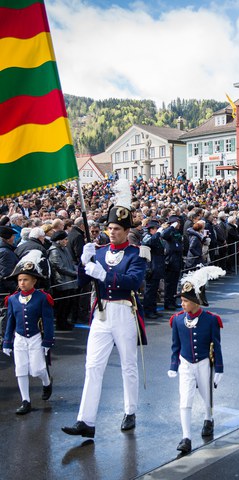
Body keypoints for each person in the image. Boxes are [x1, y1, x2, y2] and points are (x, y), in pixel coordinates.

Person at [62, 179, 148, 439]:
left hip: (124, 311)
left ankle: (130, 410)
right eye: (110, 228)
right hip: (101, 313)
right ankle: (85, 420)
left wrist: (104, 274)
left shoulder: (137, 254)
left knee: (128, 365)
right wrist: (83, 261)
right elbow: (82, 281)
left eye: (117, 229)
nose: (112, 232)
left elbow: (133, 281)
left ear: (126, 230)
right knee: (93, 366)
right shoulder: (98, 252)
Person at [167, 268, 224, 454]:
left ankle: (208, 418)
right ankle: (186, 437)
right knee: (185, 399)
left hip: (203, 364)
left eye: (185, 301)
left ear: (194, 301)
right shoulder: (176, 320)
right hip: (185, 364)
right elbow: (175, 346)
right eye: (182, 300)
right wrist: (173, 366)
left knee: (207, 397)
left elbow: (217, 346)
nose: (182, 304)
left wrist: (220, 369)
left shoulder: (210, 320)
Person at [2, 252, 54, 414]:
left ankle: (46, 382)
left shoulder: (42, 298)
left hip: (35, 337)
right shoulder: (12, 299)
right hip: (19, 339)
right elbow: (10, 321)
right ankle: (26, 401)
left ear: (34, 281)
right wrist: (7, 341)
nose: (22, 283)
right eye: (20, 280)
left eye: (25, 279)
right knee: (21, 369)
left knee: (37, 369)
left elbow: (47, 321)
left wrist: (47, 341)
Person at [48, 230, 77, 330]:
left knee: (69, 303)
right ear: (59, 240)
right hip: (61, 281)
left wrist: (76, 270)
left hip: (69, 281)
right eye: (65, 239)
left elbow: (71, 263)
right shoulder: (54, 251)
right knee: (62, 305)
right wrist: (74, 273)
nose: (67, 241)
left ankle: (65, 322)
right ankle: (61, 323)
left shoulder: (65, 249)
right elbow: (60, 267)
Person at [142, 220, 166, 319]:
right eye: (156, 228)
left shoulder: (156, 237)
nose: (157, 230)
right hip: (150, 267)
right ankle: (148, 310)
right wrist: (158, 233)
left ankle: (153, 309)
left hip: (157, 267)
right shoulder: (147, 237)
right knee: (149, 291)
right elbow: (149, 243)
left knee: (154, 290)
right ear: (151, 229)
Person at [162, 216, 184, 311]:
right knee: (169, 284)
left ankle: (173, 301)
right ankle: (168, 302)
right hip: (170, 262)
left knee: (174, 284)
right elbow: (164, 235)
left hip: (177, 261)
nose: (179, 225)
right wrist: (171, 226)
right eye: (177, 223)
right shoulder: (169, 232)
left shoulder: (176, 233)